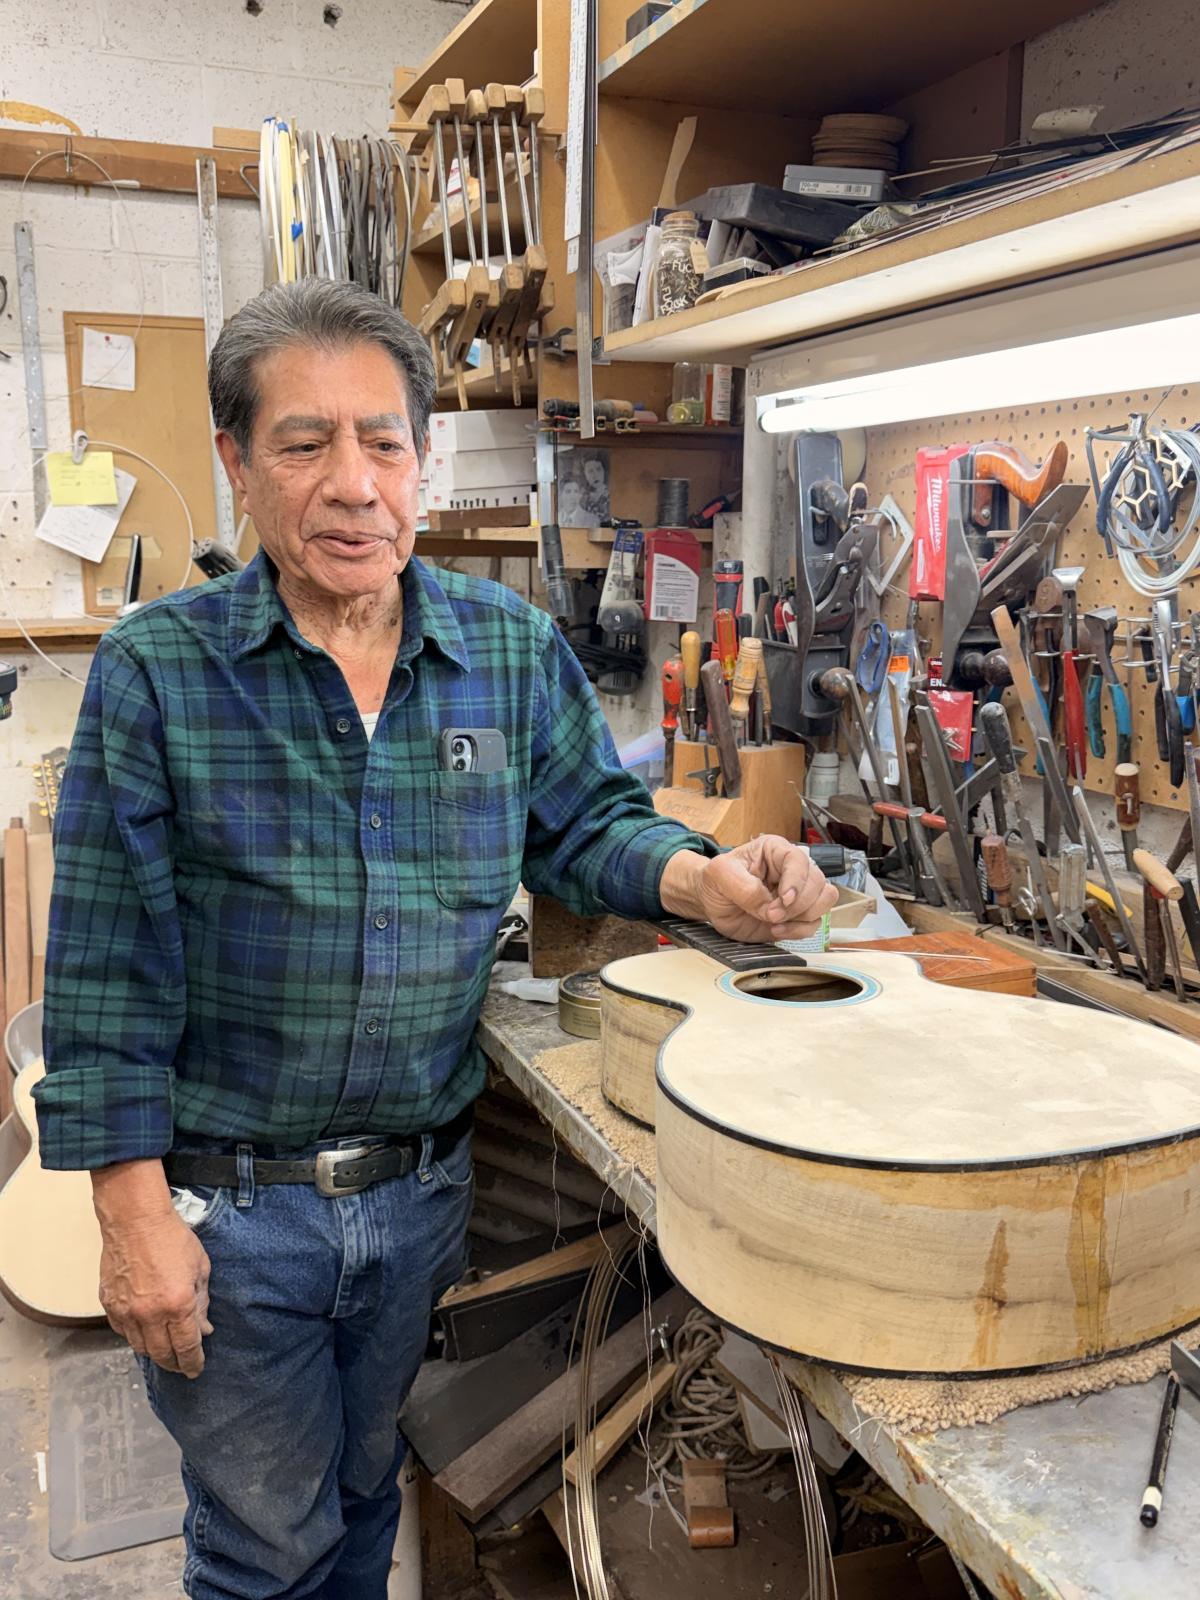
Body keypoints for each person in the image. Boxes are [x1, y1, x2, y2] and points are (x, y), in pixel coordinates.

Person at [36, 279, 836, 1600]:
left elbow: (589, 824)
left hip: (418, 1201)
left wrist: (704, 881)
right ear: (238, 463)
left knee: (361, 1511)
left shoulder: (508, 654)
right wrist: (132, 1224)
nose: (352, 484)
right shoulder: (159, 674)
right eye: (304, 444)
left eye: (383, 441)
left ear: (425, 459)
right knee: (260, 1554)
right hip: (233, 1212)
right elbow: (105, 977)